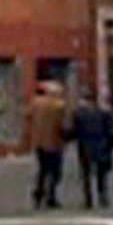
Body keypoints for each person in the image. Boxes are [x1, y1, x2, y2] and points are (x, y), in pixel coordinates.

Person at [25, 80, 72, 209]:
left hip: (39, 142)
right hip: (54, 142)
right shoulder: (58, 106)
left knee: (42, 170)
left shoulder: (35, 103)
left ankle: (38, 195)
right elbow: (63, 125)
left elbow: (28, 118)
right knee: (55, 171)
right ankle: (51, 196)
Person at [72, 91, 113, 209]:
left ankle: (88, 199)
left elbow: (75, 131)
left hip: (85, 146)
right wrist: (112, 143)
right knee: (101, 175)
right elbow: (110, 131)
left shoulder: (79, 114)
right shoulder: (103, 113)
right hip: (101, 145)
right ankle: (103, 197)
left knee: (86, 174)